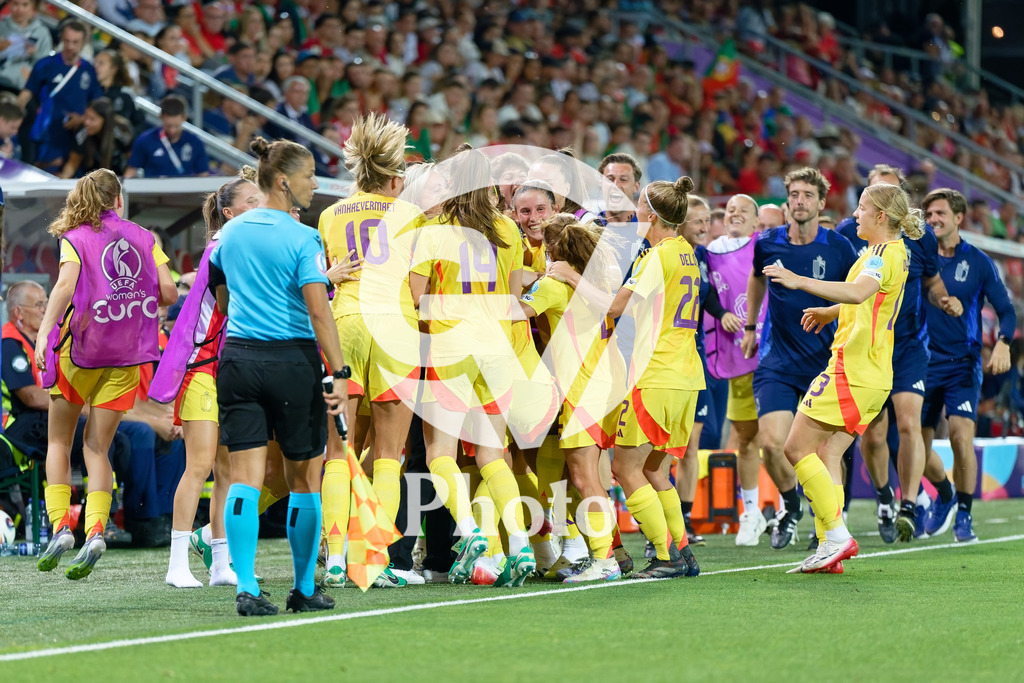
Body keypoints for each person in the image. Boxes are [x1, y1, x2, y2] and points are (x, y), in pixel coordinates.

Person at [209, 136, 346, 616]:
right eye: (310, 175)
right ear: (284, 181)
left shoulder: (229, 234)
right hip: (292, 362)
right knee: (305, 479)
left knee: (244, 479)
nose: (315, 184)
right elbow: (319, 313)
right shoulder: (302, 237)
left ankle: (247, 586)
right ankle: (304, 588)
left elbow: (222, 303)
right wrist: (341, 372)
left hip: (238, 361)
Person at [762, 182, 921, 573]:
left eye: (862, 208)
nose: (855, 214)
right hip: (874, 374)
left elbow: (859, 292)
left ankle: (834, 535)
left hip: (852, 370)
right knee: (827, 453)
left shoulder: (881, 255)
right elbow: (871, 301)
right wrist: (831, 313)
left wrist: (800, 282)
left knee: (795, 449)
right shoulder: (892, 252)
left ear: (881, 216)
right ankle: (829, 547)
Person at [34, 169, 178, 580]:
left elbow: (64, 287)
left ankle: (62, 525)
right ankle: (97, 528)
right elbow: (169, 293)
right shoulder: (145, 238)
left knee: (60, 441)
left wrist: (45, 333)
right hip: (127, 356)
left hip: (79, 352)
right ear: (119, 200)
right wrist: (132, 295)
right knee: (98, 448)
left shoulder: (75, 237)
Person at [410, 148, 537, 587]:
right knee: (492, 456)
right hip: (498, 351)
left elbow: (413, 298)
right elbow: (516, 292)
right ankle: (519, 542)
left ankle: (474, 534)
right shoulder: (508, 228)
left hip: (450, 350)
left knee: (439, 455)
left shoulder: (434, 230)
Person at [316, 112, 423, 588]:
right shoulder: (409, 215)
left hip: (347, 324)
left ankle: (335, 557)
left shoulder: (329, 214)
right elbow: (418, 290)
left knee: (338, 448)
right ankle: (374, 560)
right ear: (395, 175)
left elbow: (329, 274)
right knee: (387, 453)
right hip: (395, 325)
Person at [835, 165, 961, 542]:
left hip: (907, 345)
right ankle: (885, 497)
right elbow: (845, 286)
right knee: (873, 436)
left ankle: (909, 505)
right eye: (875, 193)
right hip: (868, 348)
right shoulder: (849, 233)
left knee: (909, 424)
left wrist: (944, 300)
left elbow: (932, 279)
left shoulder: (918, 238)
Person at [151, 170, 261, 588]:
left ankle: (220, 565)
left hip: (227, 367)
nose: (259, 206)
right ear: (230, 212)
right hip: (201, 367)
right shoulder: (222, 246)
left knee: (226, 472)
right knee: (198, 467)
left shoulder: (237, 244)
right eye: (251, 201)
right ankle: (177, 563)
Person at [742, 167, 857, 549]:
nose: (799, 201)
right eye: (793, 194)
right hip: (778, 361)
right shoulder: (768, 242)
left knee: (826, 452)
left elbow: (858, 296)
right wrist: (749, 327)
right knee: (772, 445)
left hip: (824, 364)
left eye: (808, 195)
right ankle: (791, 507)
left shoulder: (838, 248)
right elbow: (757, 278)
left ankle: (827, 523)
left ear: (822, 202)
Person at [518, 218, 624, 582]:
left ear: (554, 252)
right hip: (602, 384)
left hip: (581, 390)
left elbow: (517, 313)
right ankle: (605, 554)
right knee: (580, 475)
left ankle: (604, 560)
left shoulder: (552, 284)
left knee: (583, 477)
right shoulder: (600, 282)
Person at [918, 188, 1016, 544]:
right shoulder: (918, 257)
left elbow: (1006, 309)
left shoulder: (977, 261)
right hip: (921, 363)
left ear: (959, 218)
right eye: (928, 216)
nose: (933, 221)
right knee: (914, 443)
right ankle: (943, 492)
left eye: (940, 214)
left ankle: (964, 515)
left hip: (963, 363)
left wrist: (1003, 343)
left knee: (961, 438)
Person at [704, 194, 765, 546]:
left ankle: (796, 505)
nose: (735, 214)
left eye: (744, 211)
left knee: (777, 440)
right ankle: (752, 511)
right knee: (747, 439)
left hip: (772, 355)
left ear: (757, 222)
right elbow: (706, 293)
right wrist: (720, 313)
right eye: (730, 210)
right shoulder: (709, 253)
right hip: (734, 354)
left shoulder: (767, 247)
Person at [17, 20, 102, 172]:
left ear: (84, 43)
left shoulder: (89, 70)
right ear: (61, 38)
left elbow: (97, 105)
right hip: (45, 135)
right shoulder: (45, 64)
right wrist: (12, 115)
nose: (70, 46)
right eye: (67, 41)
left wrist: (82, 119)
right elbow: (27, 93)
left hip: (74, 138)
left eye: (75, 42)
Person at [125, 95, 210, 179]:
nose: (172, 130)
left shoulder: (195, 142)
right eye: (168, 126)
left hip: (185, 191)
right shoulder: (145, 140)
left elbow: (203, 175)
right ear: (161, 117)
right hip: (153, 191)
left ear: (184, 118)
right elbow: (132, 170)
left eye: (176, 126)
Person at [60, 98, 134, 178]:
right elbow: (72, 164)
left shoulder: (121, 132)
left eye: (92, 119)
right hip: (88, 178)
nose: (86, 122)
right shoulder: (82, 131)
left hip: (116, 177)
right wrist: (62, 183)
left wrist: (124, 183)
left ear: (105, 121)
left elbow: (133, 162)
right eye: (86, 116)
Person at [0, 0, 54, 93]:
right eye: (16, 4)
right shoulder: (1, 26)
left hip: (22, 88)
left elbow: (46, 67)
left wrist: (35, 56)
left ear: (33, 7)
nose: (19, 9)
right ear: (9, 4)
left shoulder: (42, 33)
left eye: (25, 5)